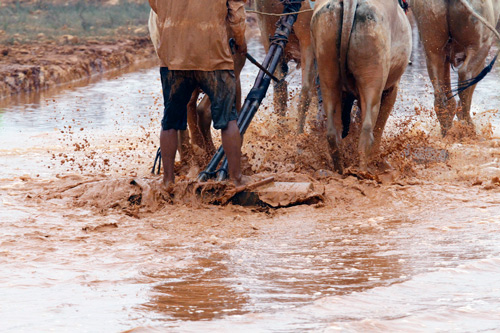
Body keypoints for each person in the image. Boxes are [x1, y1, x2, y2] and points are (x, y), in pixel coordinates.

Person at [148, 0, 247, 187]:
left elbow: (155, 7)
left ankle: (168, 181)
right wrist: (240, 42)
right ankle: (236, 180)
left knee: (169, 123)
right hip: (214, 56)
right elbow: (236, 13)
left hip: (174, 58)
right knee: (228, 121)